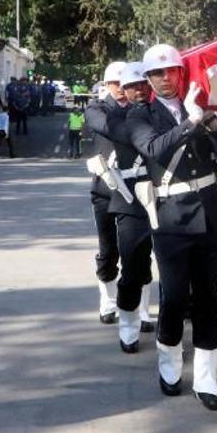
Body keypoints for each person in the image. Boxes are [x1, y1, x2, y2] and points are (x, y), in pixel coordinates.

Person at [127, 43, 217, 411]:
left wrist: (214, 125)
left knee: (208, 296)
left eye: (171, 71)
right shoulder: (139, 115)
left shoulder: (202, 107)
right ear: (148, 79)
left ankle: (207, 377)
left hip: (209, 211)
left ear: (181, 72)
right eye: (157, 73)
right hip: (172, 216)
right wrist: (191, 121)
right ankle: (170, 362)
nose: (164, 78)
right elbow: (155, 149)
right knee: (175, 296)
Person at [95, 61, 156, 353]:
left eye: (143, 84)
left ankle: (150, 315)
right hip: (128, 198)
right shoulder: (114, 116)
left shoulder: (162, 113)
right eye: (130, 86)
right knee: (129, 261)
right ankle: (127, 319)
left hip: (164, 195)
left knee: (169, 263)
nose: (137, 90)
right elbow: (104, 123)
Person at [85, 61, 128, 325]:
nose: (122, 88)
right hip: (105, 189)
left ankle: (140, 308)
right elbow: (104, 126)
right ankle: (108, 301)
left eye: (127, 84)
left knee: (137, 250)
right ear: (107, 84)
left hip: (134, 190)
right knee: (108, 249)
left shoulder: (139, 109)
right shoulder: (97, 108)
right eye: (116, 83)